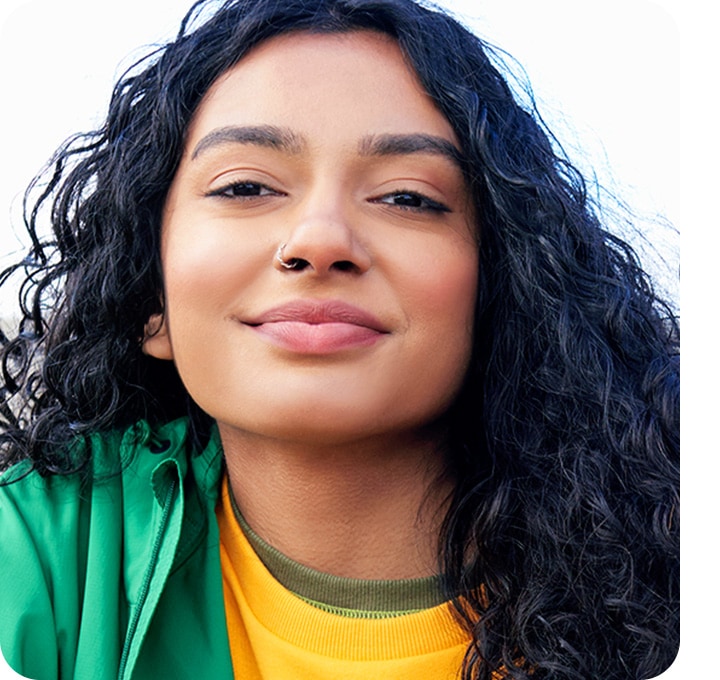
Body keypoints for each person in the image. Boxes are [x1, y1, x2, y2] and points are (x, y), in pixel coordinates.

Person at [0, 0, 679, 678]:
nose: (320, 240)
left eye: (407, 197)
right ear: (149, 300)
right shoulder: (36, 553)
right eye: (244, 186)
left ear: (504, 286)